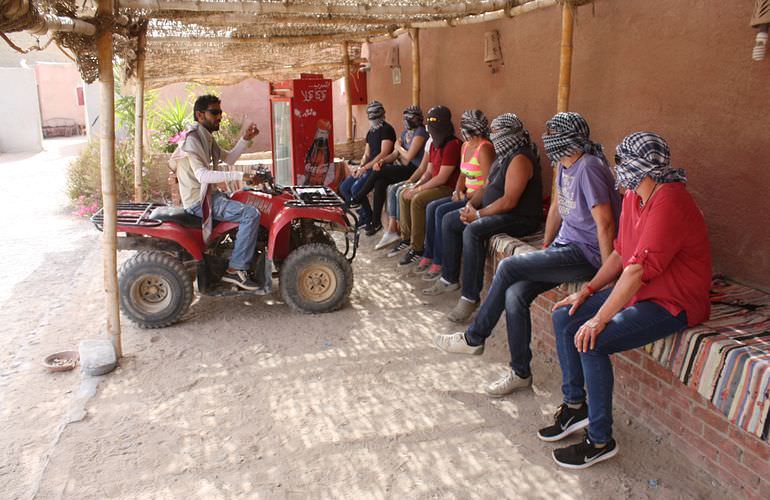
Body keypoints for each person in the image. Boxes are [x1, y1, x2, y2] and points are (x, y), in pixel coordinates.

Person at [543, 132, 711, 469]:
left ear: (645, 168)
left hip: (673, 302)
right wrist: (588, 291)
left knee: (592, 340)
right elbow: (621, 252)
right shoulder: (635, 196)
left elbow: (636, 271)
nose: (618, 170)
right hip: (642, 291)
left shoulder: (671, 200)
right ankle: (576, 406)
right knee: (564, 315)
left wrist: (600, 317)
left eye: (623, 163)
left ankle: (600, 440)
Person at [433, 112, 620, 398]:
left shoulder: (589, 167)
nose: (548, 139)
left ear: (568, 139)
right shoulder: (566, 165)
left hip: (586, 253)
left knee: (509, 267)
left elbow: (605, 223)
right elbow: (557, 209)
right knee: (515, 295)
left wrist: (607, 274)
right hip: (564, 248)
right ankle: (520, 373)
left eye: (554, 134)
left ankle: (474, 337)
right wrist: (546, 246)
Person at [424, 114, 544, 326]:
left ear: (509, 134)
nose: (493, 136)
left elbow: (509, 201)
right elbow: (487, 187)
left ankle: (470, 297)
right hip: (499, 211)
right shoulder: (504, 156)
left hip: (520, 218)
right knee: (452, 220)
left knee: (473, 230)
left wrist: (478, 215)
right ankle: (449, 278)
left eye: (497, 132)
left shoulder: (520, 158)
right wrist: (471, 205)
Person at [169, 94, 261, 290]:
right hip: (199, 202)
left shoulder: (205, 136)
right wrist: (240, 176)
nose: (219, 116)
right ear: (200, 115)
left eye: (220, 112)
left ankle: (238, 253)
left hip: (210, 196)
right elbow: (202, 176)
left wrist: (245, 139)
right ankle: (236, 269)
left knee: (246, 197)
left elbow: (228, 159)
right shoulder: (193, 139)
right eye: (214, 112)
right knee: (251, 214)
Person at [416, 109, 494, 277]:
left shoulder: (485, 148)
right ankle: (429, 254)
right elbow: (463, 174)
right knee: (432, 208)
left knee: (443, 213)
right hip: (465, 195)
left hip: (478, 199)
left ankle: (440, 262)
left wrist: (469, 198)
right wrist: (458, 190)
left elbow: (488, 184)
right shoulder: (466, 146)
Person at [393, 106, 462, 266]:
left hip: (448, 187)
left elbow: (442, 178)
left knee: (417, 199)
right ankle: (407, 238)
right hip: (436, 184)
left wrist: (418, 190)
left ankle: (417, 248)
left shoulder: (453, 144)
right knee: (404, 193)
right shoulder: (433, 144)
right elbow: (429, 172)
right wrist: (415, 184)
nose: (431, 129)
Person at [351, 106, 428, 237]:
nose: (408, 120)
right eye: (407, 118)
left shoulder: (420, 132)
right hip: (404, 167)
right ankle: (376, 222)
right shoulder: (405, 133)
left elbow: (409, 157)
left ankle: (359, 196)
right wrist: (382, 161)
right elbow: (394, 155)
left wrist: (398, 146)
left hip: (415, 170)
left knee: (381, 171)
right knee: (380, 181)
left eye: (412, 118)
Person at [339, 101, 396, 227]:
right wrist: (359, 167)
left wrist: (365, 168)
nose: (373, 119)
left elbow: (384, 153)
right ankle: (365, 213)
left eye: (375, 116)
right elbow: (367, 153)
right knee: (344, 187)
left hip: (379, 167)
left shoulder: (387, 130)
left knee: (355, 189)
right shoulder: (371, 132)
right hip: (368, 166)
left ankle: (367, 216)